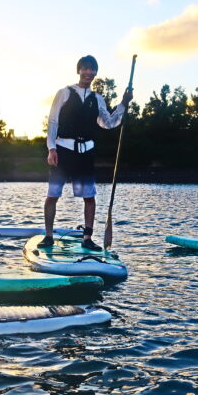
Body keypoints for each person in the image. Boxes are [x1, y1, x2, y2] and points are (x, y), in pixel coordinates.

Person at [40, 55, 132, 251]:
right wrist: (51, 148)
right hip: (63, 150)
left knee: (89, 197)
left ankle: (87, 238)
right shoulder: (64, 93)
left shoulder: (97, 99)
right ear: (79, 70)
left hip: (86, 153)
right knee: (53, 194)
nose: (89, 72)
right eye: (85, 69)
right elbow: (53, 121)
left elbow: (108, 123)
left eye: (93, 70)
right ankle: (48, 236)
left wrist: (123, 103)